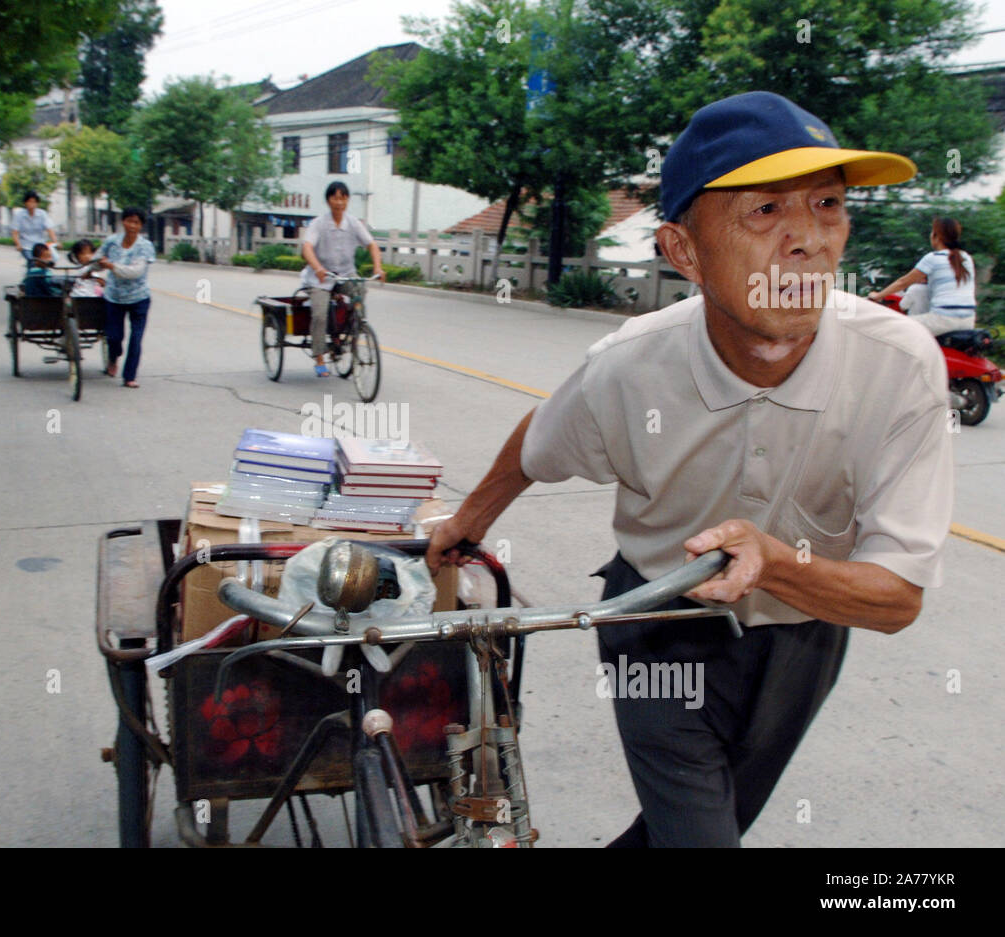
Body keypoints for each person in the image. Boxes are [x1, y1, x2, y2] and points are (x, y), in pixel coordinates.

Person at [427, 91, 952, 848]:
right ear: (683, 252)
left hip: (804, 635)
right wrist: (468, 521)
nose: (808, 238)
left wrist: (772, 561)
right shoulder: (628, 367)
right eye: (765, 211)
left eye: (828, 203)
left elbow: (897, 596)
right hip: (657, 621)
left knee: (708, 823)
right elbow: (538, 439)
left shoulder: (899, 367)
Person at [300, 181, 385, 377]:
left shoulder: (354, 223)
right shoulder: (318, 224)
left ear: (348, 200)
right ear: (329, 200)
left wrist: (378, 267)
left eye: (344, 197)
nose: (340, 202)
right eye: (336, 198)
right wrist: (318, 267)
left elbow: (371, 244)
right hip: (320, 277)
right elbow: (307, 248)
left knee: (360, 292)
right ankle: (319, 358)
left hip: (346, 273)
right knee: (320, 315)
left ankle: (353, 332)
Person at [868, 217, 976, 336]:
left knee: (891, 327)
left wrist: (878, 296)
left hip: (942, 320)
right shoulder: (966, 257)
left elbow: (903, 282)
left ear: (937, 236)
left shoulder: (933, 258)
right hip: (968, 321)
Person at [95, 207, 156, 387]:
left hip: (139, 298)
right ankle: (113, 357)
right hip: (114, 297)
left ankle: (130, 376)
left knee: (136, 339)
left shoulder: (145, 246)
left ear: (141, 226)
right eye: (129, 221)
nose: (132, 226)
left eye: (136, 223)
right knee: (114, 337)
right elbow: (98, 260)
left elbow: (136, 272)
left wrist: (111, 266)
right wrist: (89, 270)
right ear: (123, 222)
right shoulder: (111, 242)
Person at [10, 191, 56, 272]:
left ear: (37, 203)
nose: (32, 204)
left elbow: (49, 229)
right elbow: (15, 232)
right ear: (25, 203)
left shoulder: (42, 214)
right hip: (26, 246)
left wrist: (55, 242)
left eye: (34, 202)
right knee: (32, 262)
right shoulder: (19, 215)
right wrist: (18, 244)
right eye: (29, 201)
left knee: (46, 262)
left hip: (39, 245)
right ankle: (30, 281)